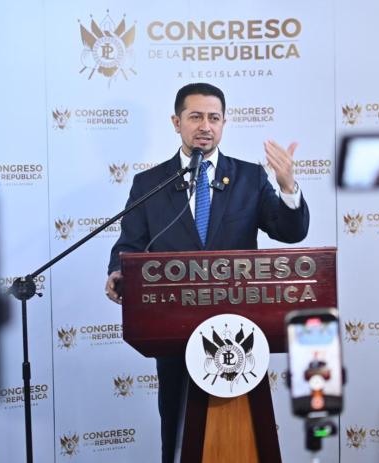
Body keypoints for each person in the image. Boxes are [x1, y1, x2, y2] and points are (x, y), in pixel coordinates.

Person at [105, 82, 310, 462]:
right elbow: (130, 245)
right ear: (176, 121)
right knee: (178, 431)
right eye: (195, 116)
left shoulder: (248, 178)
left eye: (214, 118)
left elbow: (290, 231)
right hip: (173, 329)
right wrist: (118, 271)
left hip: (239, 330)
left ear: (224, 123)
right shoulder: (150, 184)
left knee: (244, 431)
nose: (205, 126)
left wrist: (288, 186)